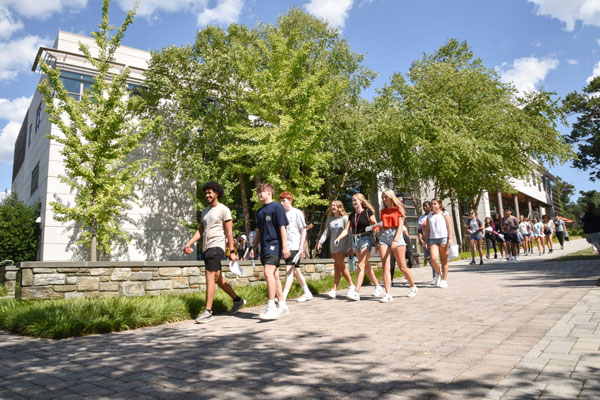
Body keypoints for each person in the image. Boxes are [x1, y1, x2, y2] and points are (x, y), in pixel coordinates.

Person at [184, 181, 245, 324]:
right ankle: (238, 300)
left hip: (217, 246)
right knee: (217, 278)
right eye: (206, 193)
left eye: (210, 192)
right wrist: (189, 242)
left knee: (209, 275)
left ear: (217, 193)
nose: (207, 195)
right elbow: (200, 230)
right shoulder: (205, 211)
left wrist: (232, 251)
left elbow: (229, 233)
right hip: (206, 247)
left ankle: (208, 311)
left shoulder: (224, 209)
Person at [250, 183, 291, 320]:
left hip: (274, 245)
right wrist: (254, 247)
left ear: (270, 193)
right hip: (264, 246)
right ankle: (282, 305)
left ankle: (271, 307)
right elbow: (259, 231)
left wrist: (285, 247)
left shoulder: (277, 207)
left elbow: (282, 228)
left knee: (268, 273)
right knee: (275, 275)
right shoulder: (260, 211)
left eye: (263, 192)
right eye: (259, 192)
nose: (260, 194)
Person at [334, 193, 382, 301]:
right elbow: (346, 230)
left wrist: (376, 231)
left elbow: (375, 224)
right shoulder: (352, 215)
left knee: (360, 266)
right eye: (352, 200)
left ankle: (356, 292)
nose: (353, 202)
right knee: (366, 266)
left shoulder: (367, 212)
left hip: (366, 239)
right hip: (356, 241)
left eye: (355, 200)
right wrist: (338, 238)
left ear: (361, 201)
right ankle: (378, 286)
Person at [379, 190, 417, 301]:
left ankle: (413, 286)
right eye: (383, 197)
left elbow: (400, 226)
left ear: (391, 197)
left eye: (386, 197)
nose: (385, 199)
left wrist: (395, 240)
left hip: (397, 236)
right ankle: (388, 294)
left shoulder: (399, 209)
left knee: (402, 267)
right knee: (385, 267)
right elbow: (383, 225)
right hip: (384, 236)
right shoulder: (383, 211)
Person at [317, 200, 355, 299]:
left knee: (337, 266)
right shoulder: (330, 219)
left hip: (343, 245)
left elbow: (349, 233)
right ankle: (351, 285)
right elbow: (326, 232)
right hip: (333, 246)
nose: (333, 207)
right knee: (340, 267)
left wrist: (351, 247)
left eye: (335, 205)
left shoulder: (345, 218)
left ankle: (334, 289)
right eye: (332, 205)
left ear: (339, 207)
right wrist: (320, 242)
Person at [279, 191, 313, 303]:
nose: (282, 203)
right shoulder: (282, 214)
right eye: (281, 200)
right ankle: (307, 292)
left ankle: (283, 297)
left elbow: (303, 230)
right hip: (286, 246)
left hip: (294, 246)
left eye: (284, 200)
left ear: (290, 200)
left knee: (289, 270)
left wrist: (301, 246)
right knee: (296, 271)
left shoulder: (297, 213)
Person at [424, 198, 453, 288]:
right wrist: (426, 241)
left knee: (444, 260)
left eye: (435, 204)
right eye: (432, 204)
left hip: (443, 238)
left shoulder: (445, 214)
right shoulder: (429, 216)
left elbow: (449, 227)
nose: (433, 205)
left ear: (439, 205)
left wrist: (450, 239)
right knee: (433, 258)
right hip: (433, 239)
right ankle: (438, 274)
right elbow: (428, 230)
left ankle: (444, 280)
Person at [418, 201, 437, 284]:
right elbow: (419, 230)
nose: (424, 208)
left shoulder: (433, 215)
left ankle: (435, 276)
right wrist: (420, 238)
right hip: (425, 239)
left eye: (426, 206)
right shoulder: (421, 218)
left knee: (433, 257)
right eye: (423, 206)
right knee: (428, 257)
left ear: (430, 206)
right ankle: (437, 271)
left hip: (433, 238)